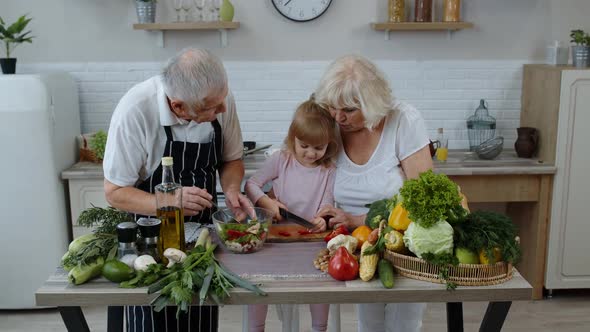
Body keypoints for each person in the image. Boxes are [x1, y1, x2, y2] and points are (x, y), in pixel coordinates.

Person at [103, 48, 254, 332]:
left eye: (223, 101)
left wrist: (232, 189)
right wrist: (168, 201)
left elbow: (232, 159)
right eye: (211, 108)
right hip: (150, 242)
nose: (222, 110)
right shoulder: (135, 111)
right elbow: (114, 192)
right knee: (153, 321)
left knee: (200, 319)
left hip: (202, 245)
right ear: (179, 106)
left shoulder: (219, 98)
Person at [314, 55, 433, 332]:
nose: (339, 117)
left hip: (403, 245)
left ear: (373, 104)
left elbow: (422, 199)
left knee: (404, 324)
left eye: (349, 110)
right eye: (333, 107)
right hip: (356, 246)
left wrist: (356, 218)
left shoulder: (404, 121)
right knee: (369, 323)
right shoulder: (331, 124)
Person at [244, 97, 339, 332]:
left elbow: (327, 203)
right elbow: (251, 185)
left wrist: (322, 219)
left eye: (319, 148)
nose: (310, 153)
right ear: (292, 138)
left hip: (310, 241)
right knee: (259, 282)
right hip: (276, 239)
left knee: (319, 286)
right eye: (304, 145)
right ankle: (256, 327)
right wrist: (266, 201)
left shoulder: (329, 170)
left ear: (329, 144)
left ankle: (320, 327)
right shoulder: (282, 159)